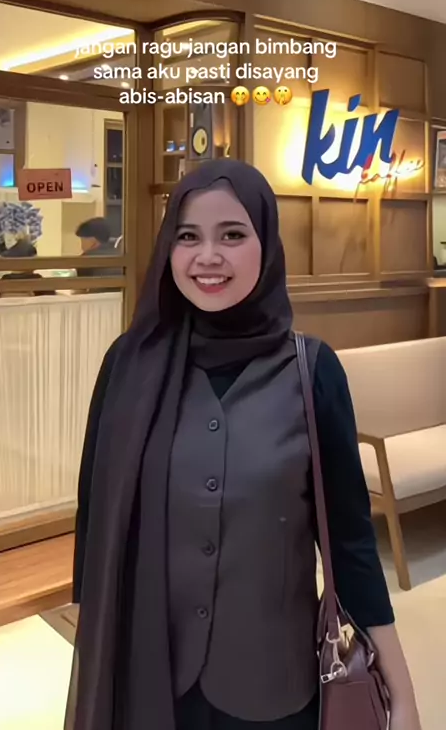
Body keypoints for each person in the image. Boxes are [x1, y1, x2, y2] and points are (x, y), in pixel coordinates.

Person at [67, 160, 421, 730]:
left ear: (267, 245)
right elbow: (95, 529)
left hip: (274, 688)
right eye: (188, 236)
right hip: (148, 683)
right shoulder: (127, 368)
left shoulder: (312, 371)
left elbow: (350, 544)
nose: (208, 256)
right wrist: (97, 669)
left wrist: (401, 694)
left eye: (232, 234)